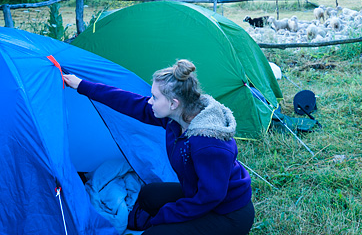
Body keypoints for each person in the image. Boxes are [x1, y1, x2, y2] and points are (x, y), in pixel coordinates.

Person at [64, 59, 254, 235]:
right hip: (198, 194)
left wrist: (164, 217)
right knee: (149, 194)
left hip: (228, 213)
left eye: (155, 97)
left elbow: (210, 197)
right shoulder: (177, 119)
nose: (149, 101)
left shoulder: (208, 144)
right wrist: (82, 85)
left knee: (154, 233)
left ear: (173, 103)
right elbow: (129, 102)